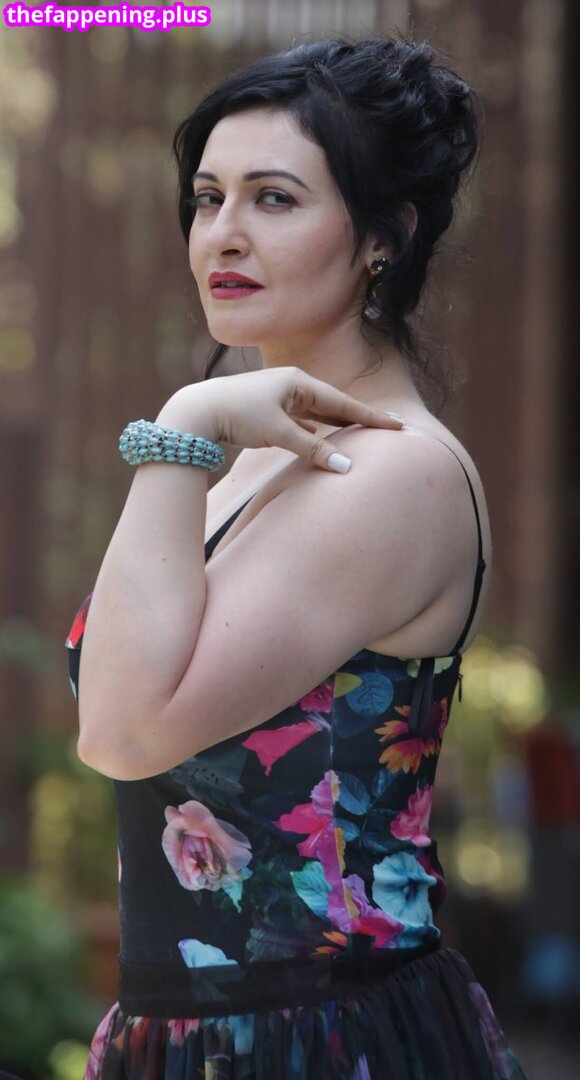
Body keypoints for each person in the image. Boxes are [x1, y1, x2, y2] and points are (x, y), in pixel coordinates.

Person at [65, 34, 528, 1080]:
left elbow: (123, 731)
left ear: (383, 238)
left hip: (318, 1036)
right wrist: (203, 432)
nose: (223, 234)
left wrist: (185, 418)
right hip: (188, 1031)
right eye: (207, 198)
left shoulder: (394, 478)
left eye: (273, 198)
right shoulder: (248, 457)